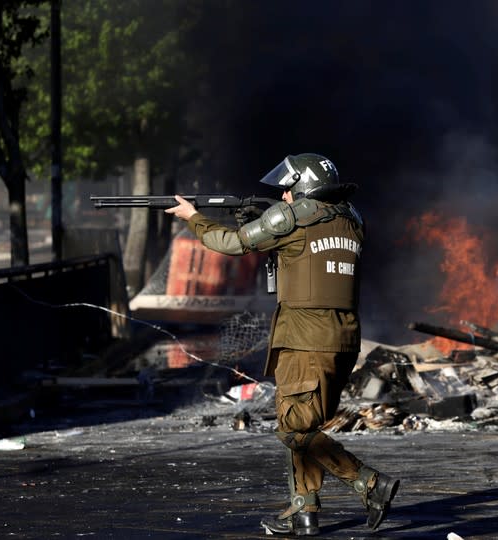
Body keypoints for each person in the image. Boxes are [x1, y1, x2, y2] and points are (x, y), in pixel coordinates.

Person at [166, 153, 399, 536]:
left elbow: (231, 242)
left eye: (288, 188)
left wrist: (193, 216)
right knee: (305, 423)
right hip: (342, 338)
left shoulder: (293, 218)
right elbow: (305, 252)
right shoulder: (351, 220)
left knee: (294, 429)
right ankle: (303, 511)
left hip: (304, 340)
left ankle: (371, 484)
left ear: (303, 187)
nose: (284, 195)